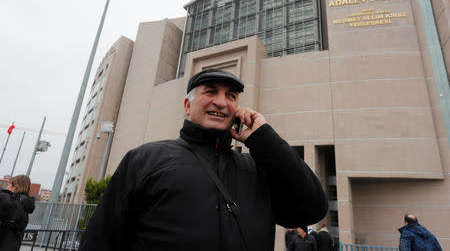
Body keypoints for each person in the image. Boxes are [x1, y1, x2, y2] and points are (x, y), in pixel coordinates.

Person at [80, 68, 328, 251]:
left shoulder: (255, 168)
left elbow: (312, 208)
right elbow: (101, 240)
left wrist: (264, 139)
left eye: (231, 96)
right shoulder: (145, 159)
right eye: (210, 92)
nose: (221, 102)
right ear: (188, 106)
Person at [0, 175, 35, 251]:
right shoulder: (22, 204)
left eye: (9, 184)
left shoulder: (15, 204)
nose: (7, 187)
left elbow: (7, 217)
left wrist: (4, 195)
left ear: (16, 186)